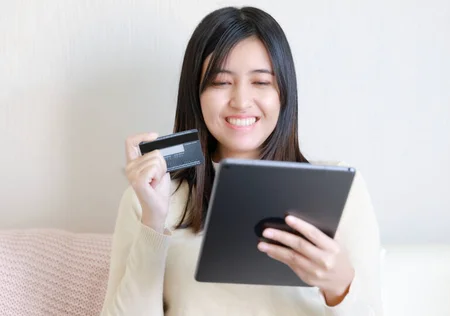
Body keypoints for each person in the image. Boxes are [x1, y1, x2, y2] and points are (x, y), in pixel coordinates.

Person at [100, 6, 382, 316]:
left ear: (283, 94)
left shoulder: (342, 191)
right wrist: (153, 221)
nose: (241, 101)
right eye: (221, 82)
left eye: (261, 82)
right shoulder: (148, 198)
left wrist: (339, 285)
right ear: (196, 93)